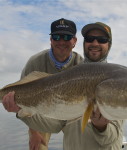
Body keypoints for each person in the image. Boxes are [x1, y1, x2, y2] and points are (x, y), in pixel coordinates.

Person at [2, 21, 124, 150]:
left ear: (74, 41)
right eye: (89, 39)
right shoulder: (36, 62)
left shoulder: (114, 82)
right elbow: (56, 124)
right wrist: (20, 112)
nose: (95, 43)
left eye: (102, 40)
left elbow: (112, 137)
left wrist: (101, 127)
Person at [2, 18, 83, 150]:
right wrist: (34, 133)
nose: (61, 41)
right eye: (56, 37)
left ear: (74, 41)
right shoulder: (34, 62)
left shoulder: (81, 64)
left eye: (67, 37)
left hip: (71, 115)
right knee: (37, 146)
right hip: (40, 114)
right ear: (51, 40)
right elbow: (22, 95)